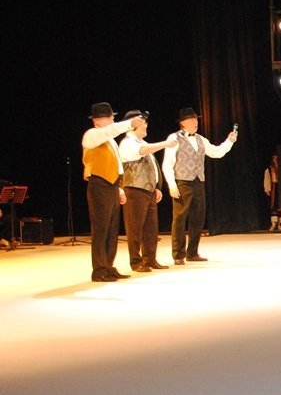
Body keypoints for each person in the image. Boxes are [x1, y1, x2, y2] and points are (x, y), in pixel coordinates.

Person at [161, 107, 237, 264]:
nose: (196, 122)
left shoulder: (201, 139)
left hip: (198, 181)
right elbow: (167, 163)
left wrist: (229, 141)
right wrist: (172, 184)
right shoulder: (174, 138)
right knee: (180, 218)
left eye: (196, 119)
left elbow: (216, 152)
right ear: (183, 123)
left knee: (198, 218)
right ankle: (178, 255)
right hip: (182, 181)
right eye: (192, 119)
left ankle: (192, 252)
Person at [81, 102, 144, 282]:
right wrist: (129, 124)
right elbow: (109, 132)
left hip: (111, 186)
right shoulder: (91, 135)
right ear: (97, 121)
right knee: (101, 229)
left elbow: (117, 166)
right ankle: (99, 269)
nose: (112, 120)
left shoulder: (111, 142)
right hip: (98, 184)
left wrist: (119, 189)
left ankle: (108, 266)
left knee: (112, 229)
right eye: (109, 117)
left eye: (112, 117)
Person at [117, 110, 176, 272]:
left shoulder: (142, 142)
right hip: (134, 189)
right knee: (135, 228)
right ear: (132, 125)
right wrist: (165, 144)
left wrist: (156, 187)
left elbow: (152, 167)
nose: (146, 125)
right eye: (142, 122)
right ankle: (136, 261)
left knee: (151, 228)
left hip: (148, 191)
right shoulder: (128, 143)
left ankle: (149, 259)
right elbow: (141, 151)